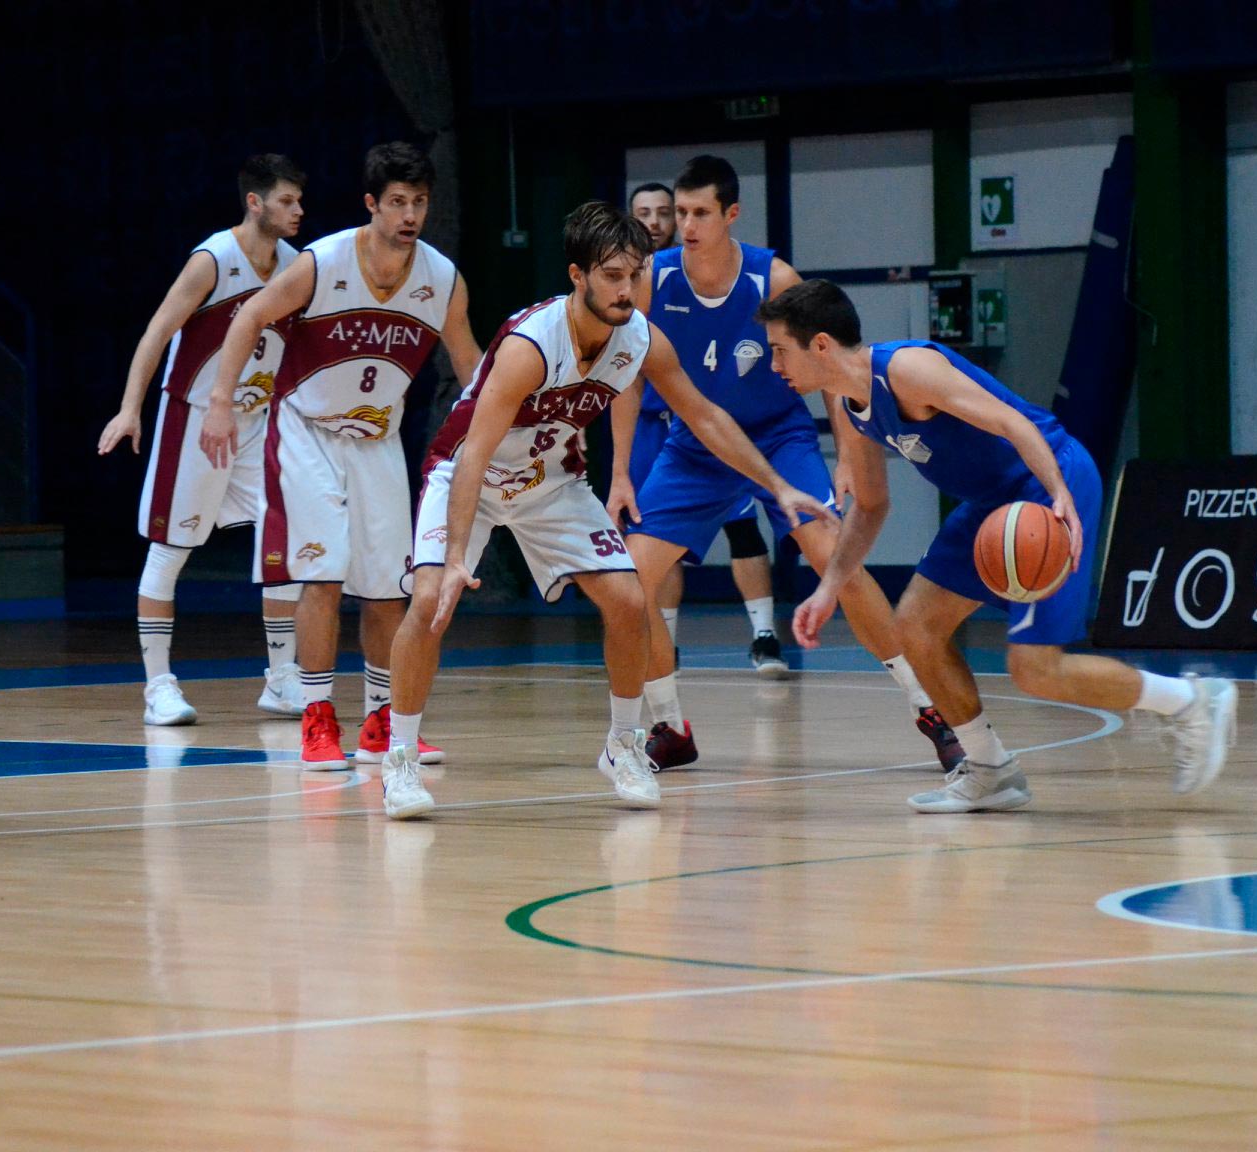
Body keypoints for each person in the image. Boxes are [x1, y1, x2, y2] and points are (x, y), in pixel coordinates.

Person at [377, 201, 834, 820]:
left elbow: (704, 415)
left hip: (550, 482)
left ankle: (624, 743)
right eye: (613, 276)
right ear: (578, 275)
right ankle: (399, 758)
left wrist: (777, 486)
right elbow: (475, 452)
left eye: (635, 276)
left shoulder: (641, 338)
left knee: (627, 598)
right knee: (430, 599)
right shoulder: (530, 346)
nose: (627, 290)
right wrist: (455, 555)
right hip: (470, 477)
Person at [759, 278, 1236, 812]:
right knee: (914, 627)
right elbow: (870, 507)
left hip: (1045, 484)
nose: (774, 364)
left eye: (780, 350)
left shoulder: (907, 370)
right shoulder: (852, 406)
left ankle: (1193, 702)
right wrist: (828, 589)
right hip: (991, 504)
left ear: (820, 344)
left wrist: (1058, 493)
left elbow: (1012, 422)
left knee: (1034, 668)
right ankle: (990, 770)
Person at [619, 155, 964, 772]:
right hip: (696, 448)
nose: (687, 224)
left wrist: (849, 458)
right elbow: (624, 376)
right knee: (629, 584)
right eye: (681, 212)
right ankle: (669, 726)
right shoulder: (654, 279)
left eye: (701, 213)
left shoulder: (772, 277)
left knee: (836, 558)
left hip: (780, 438)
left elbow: (830, 372)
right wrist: (620, 470)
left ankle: (928, 707)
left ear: (731, 215)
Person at [200, 142, 482, 770]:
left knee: (388, 591)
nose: (410, 215)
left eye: (420, 203)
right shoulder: (322, 263)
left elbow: (470, 368)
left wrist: (498, 439)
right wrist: (221, 399)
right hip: (307, 431)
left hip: (377, 438)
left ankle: (382, 721)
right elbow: (248, 317)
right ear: (371, 205)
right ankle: (316, 716)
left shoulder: (442, 278)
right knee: (322, 576)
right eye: (398, 203)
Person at [98, 154, 308, 725]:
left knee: (284, 545)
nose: (298, 211)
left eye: (299, 200)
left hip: (258, 423)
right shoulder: (212, 259)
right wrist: (129, 409)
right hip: (195, 420)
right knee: (172, 550)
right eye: (286, 200)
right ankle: (158, 686)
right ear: (255, 202)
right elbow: (157, 331)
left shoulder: (295, 266)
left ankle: (282, 677)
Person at [627, 179, 785, 679]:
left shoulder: (721, 270)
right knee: (653, 539)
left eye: (663, 212)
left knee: (743, 525)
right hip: (654, 426)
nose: (655, 221)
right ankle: (663, 645)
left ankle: (764, 634)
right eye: (644, 213)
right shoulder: (640, 278)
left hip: (713, 424)